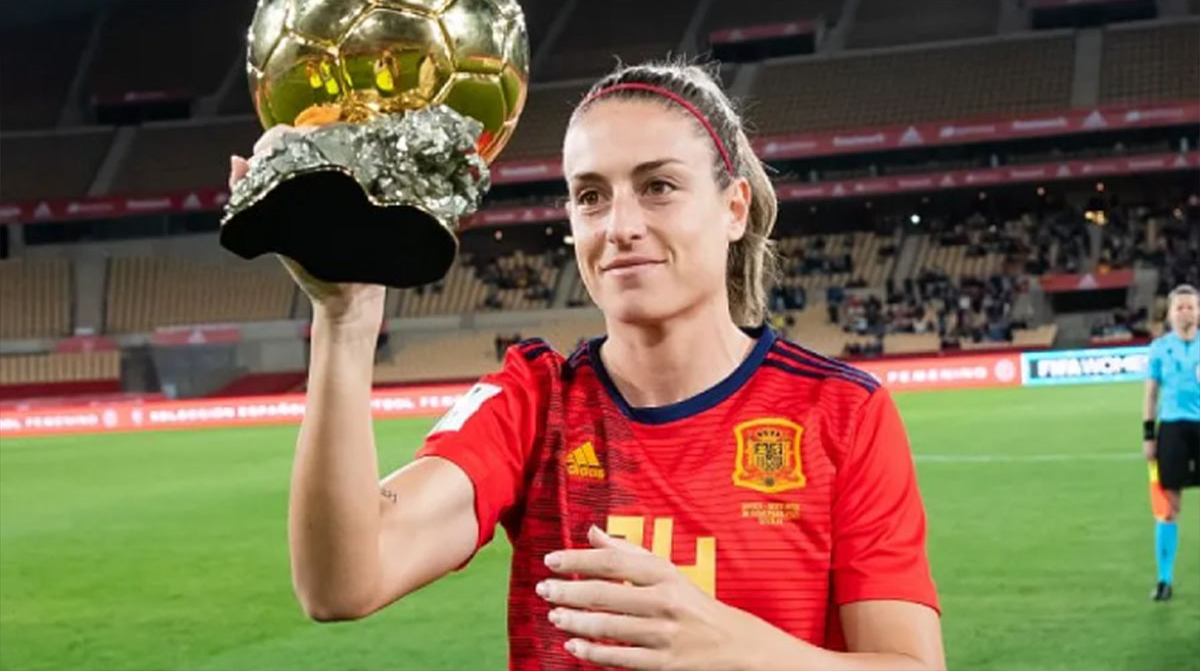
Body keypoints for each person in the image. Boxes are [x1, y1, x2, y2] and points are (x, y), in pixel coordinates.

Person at [230, 61, 943, 670]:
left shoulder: (840, 411)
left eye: (658, 186)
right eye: (590, 195)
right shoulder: (535, 402)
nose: (619, 225)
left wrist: (732, 644)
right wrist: (346, 319)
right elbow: (342, 583)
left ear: (734, 207)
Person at [1143, 283, 1200, 602]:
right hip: (1172, 431)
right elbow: (1151, 393)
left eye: (1191, 306)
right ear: (1169, 314)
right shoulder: (1160, 347)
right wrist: (1149, 435)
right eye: (1180, 307)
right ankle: (1164, 580)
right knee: (1169, 507)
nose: (1185, 312)